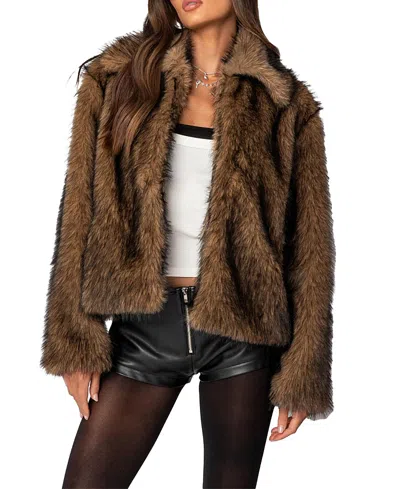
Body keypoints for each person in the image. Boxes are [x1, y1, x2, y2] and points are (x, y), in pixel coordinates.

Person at [40, 0, 336, 487]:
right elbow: (77, 213)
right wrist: (75, 341)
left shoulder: (283, 102)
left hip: (243, 330)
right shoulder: (118, 78)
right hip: (144, 330)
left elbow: (310, 247)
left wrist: (305, 369)